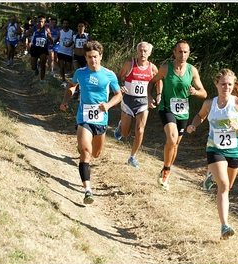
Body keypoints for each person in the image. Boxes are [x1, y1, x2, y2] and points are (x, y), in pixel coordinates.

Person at [186, 68, 238, 239]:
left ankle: (211, 177)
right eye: (223, 84)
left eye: (229, 84)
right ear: (216, 84)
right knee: (224, 185)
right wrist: (194, 125)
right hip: (215, 148)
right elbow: (200, 116)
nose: (226, 87)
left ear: (233, 85)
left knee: (227, 187)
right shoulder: (209, 103)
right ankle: (224, 226)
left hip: (235, 150)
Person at [60, 40, 122, 204]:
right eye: (89, 57)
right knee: (86, 152)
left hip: (101, 119)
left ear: (100, 56)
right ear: (85, 58)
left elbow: (118, 95)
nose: (92, 60)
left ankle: (84, 145)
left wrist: (108, 105)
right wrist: (66, 99)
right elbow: (72, 85)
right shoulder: (80, 73)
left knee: (96, 153)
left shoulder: (109, 75)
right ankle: (88, 190)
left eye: (95, 56)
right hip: (84, 117)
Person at [147, 40, 207, 191]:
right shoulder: (166, 69)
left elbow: (204, 93)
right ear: (174, 53)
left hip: (183, 112)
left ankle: (165, 170)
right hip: (166, 108)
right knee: (172, 138)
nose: (182, 55)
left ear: (189, 53)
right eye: (179, 51)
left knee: (176, 144)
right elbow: (152, 82)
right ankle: (166, 172)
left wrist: (195, 92)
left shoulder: (192, 71)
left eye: (185, 52)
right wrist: (149, 96)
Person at [114, 42, 162, 168]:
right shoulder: (129, 64)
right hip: (128, 101)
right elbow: (118, 76)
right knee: (125, 134)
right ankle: (120, 128)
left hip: (143, 103)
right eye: (140, 50)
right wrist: (120, 86)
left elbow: (159, 81)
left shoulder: (152, 68)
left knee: (140, 130)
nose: (143, 53)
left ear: (150, 53)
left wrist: (158, 94)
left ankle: (132, 157)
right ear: (137, 52)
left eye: (145, 51)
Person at [22, 15, 53, 86]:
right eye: (39, 22)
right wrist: (25, 45)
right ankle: (36, 68)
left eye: (42, 22)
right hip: (34, 48)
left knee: (43, 64)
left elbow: (50, 38)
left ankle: (42, 80)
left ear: (44, 22)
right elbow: (25, 36)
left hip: (43, 48)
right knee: (33, 66)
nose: (40, 23)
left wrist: (52, 43)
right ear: (36, 22)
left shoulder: (46, 29)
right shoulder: (33, 29)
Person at [69, 20, 90, 99]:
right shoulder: (74, 36)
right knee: (77, 73)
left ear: (85, 27)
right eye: (79, 26)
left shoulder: (87, 36)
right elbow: (70, 44)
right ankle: (77, 91)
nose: (80, 27)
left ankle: (83, 90)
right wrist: (65, 44)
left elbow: (92, 44)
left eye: (82, 26)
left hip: (85, 58)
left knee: (84, 74)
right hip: (76, 56)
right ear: (77, 28)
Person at [54, 18, 73, 87]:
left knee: (68, 68)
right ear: (62, 24)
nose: (65, 25)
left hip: (68, 53)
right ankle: (63, 80)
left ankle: (63, 72)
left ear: (68, 24)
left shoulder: (72, 32)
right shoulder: (60, 32)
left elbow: (74, 40)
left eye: (67, 23)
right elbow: (56, 40)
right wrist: (52, 44)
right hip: (61, 51)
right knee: (62, 66)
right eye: (64, 23)